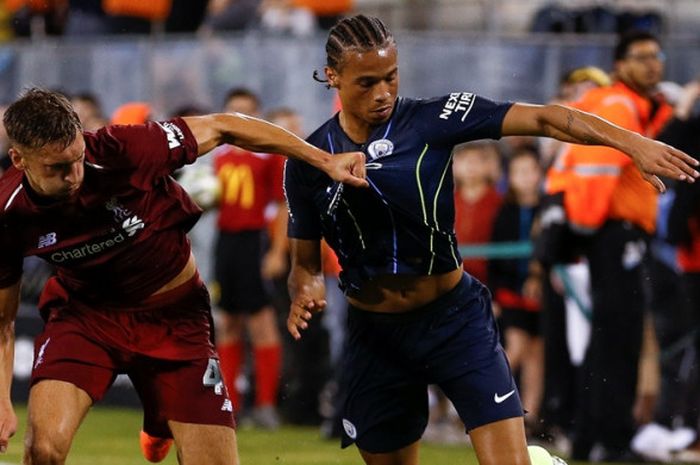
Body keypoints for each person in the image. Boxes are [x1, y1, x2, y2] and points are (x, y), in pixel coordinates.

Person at [283, 15, 698, 465]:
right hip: (375, 334)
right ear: (333, 77)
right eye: (366, 83)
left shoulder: (432, 119)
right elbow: (303, 263)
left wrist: (630, 143)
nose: (383, 92)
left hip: (454, 320)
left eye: (391, 77)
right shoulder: (308, 161)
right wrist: (305, 285)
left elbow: (545, 118)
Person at [0, 87, 366, 465]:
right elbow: (3, 321)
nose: (73, 175)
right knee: (42, 450)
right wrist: (1, 402)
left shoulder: (124, 149)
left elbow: (224, 126)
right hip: (86, 318)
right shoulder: (8, 212)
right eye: (56, 168)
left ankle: (160, 420)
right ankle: (159, 416)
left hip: (175, 318)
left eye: (77, 158)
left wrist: (324, 160)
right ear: (18, 159)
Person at [211, 88, 285, 429]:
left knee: (261, 322)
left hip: (255, 241)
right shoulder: (218, 154)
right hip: (225, 242)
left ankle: (266, 404)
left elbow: (282, 207)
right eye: (233, 111)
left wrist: (277, 250)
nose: (239, 118)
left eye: (246, 112)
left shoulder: (269, 155)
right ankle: (231, 405)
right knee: (227, 323)